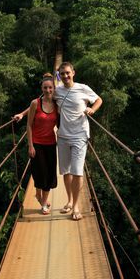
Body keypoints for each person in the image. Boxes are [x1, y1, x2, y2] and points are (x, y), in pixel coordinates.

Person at [55, 61, 102, 221]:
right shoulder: (57, 90)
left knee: (77, 171)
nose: (66, 76)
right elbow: (40, 102)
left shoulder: (83, 88)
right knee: (66, 172)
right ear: (59, 76)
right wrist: (22, 114)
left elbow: (98, 100)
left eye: (68, 73)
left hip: (80, 135)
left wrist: (92, 109)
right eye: (62, 74)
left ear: (73, 73)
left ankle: (75, 206)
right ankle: (69, 200)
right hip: (62, 136)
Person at [25, 73, 59, 214]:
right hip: (37, 143)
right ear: (42, 88)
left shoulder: (57, 104)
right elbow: (29, 125)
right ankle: (39, 195)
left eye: (50, 87)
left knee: (49, 174)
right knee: (40, 173)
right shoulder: (35, 103)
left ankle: (43, 202)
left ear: (54, 88)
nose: (48, 90)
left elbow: (61, 122)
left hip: (51, 143)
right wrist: (30, 145)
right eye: (45, 88)